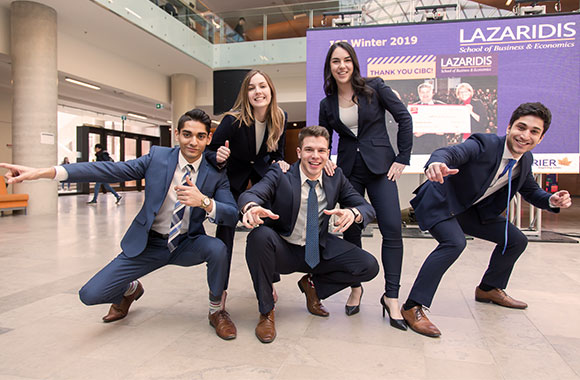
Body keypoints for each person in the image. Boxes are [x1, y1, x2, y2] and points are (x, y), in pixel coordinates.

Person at [0, 109, 241, 340]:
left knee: (218, 249)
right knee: (90, 294)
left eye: (200, 136)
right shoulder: (157, 158)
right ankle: (131, 290)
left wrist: (205, 202)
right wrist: (47, 172)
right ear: (176, 134)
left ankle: (215, 311)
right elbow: (108, 169)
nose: (193, 142)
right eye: (187, 134)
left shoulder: (215, 173)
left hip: (188, 243)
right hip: (150, 244)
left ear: (209, 138)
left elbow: (231, 214)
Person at [402, 102, 572, 337]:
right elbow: (451, 153)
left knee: (516, 240)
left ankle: (489, 288)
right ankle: (412, 306)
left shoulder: (525, 160)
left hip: (473, 211)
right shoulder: (485, 144)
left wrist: (552, 200)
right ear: (509, 126)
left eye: (534, 132)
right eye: (521, 127)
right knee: (454, 243)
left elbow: (531, 190)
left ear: (541, 138)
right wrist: (436, 163)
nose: (525, 136)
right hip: (441, 202)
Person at [239, 126, 379, 343]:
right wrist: (250, 207)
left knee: (368, 265)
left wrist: (354, 212)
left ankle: (313, 287)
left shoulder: (335, 176)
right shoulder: (281, 173)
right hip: (284, 249)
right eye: (309, 150)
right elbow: (252, 193)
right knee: (259, 237)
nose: (315, 156)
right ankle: (266, 312)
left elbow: (366, 207)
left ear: (328, 153)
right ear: (298, 152)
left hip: (317, 248)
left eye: (322, 151)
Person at [318, 41, 412, 328]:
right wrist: (326, 159)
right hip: (349, 172)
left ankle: (392, 297)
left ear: (354, 63)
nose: (342, 66)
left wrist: (403, 157)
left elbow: (404, 117)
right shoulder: (327, 103)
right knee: (352, 229)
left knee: (392, 229)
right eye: (336, 61)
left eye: (347, 60)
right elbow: (325, 136)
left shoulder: (375, 87)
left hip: (381, 168)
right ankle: (355, 286)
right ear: (330, 67)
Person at [206, 69, 288, 295]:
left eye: (262, 86)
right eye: (251, 88)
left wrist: (280, 162)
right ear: (246, 94)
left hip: (260, 180)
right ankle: (219, 291)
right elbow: (210, 152)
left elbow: (276, 154)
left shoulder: (280, 116)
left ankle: (268, 282)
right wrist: (218, 156)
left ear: (270, 89)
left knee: (267, 228)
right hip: (231, 181)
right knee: (225, 233)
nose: (258, 92)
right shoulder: (232, 120)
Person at [411, 82, 448, 154]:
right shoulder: (413, 107)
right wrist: (413, 132)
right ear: (419, 93)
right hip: (419, 146)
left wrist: (444, 130)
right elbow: (408, 125)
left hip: (439, 144)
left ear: (432, 93)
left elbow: (448, 123)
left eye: (427, 92)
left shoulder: (442, 106)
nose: (425, 94)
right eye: (422, 92)